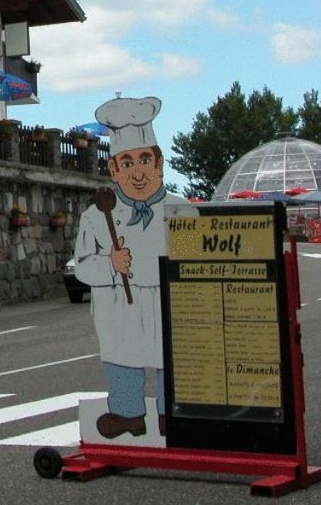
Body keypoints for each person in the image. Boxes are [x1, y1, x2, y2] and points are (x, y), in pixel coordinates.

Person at [74, 94, 191, 439]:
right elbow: (81, 265)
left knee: (171, 357)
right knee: (123, 357)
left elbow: (192, 262)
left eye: (144, 160)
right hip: (119, 307)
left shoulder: (180, 210)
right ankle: (127, 414)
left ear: (159, 163)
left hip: (167, 300)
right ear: (113, 170)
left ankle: (173, 413)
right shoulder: (95, 217)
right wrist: (110, 264)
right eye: (126, 163)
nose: (137, 172)